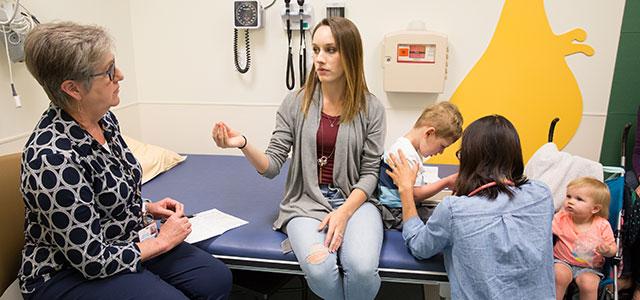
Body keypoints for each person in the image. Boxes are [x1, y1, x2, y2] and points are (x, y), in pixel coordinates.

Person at [19, 22, 231, 300]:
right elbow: (91, 260)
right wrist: (162, 241)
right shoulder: (52, 158)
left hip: (121, 241)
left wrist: (145, 207)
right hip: (66, 273)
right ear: (73, 89)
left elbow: (101, 194)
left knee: (215, 279)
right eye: (108, 71)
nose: (120, 75)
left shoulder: (104, 120)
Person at [212, 17, 385, 300]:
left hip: (356, 202)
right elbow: (272, 166)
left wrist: (343, 212)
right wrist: (241, 143)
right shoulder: (295, 103)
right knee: (320, 269)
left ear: (351, 54)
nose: (320, 59)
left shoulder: (371, 108)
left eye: (330, 50)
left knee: (362, 269)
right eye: (316, 50)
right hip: (305, 203)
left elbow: (369, 173)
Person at [385, 115, 556, 299]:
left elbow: (419, 246)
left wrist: (405, 190)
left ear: (470, 158)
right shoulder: (542, 195)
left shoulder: (454, 210)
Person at [378, 102, 462, 229]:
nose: (441, 152)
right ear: (429, 133)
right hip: (396, 213)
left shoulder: (405, 147)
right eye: (442, 146)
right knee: (448, 221)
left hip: (396, 209)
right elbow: (414, 194)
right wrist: (447, 182)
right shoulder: (406, 154)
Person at [552, 177, 616, 300]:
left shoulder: (602, 225)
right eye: (568, 196)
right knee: (558, 275)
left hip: (590, 267)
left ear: (595, 208)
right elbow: (544, 231)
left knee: (589, 285)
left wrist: (607, 250)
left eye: (579, 199)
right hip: (562, 261)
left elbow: (613, 250)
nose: (570, 201)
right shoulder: (562, 218)